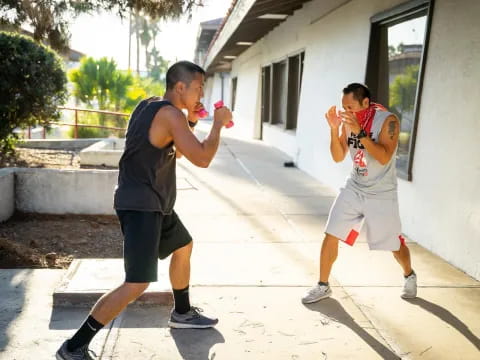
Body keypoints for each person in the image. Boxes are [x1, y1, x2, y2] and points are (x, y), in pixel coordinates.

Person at [56, 61, 233, 360]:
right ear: (181, 88)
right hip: (142, 206)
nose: (202, 93)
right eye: (199, 87)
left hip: (152, 202)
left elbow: (168, 140)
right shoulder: (170, 114)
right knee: (136, 283)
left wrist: (190, 120)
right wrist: (216, 124)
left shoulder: (150, 106)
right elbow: (201, 158)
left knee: (184, 246)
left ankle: (182, 312)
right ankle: (73, 346)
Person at [302, 83, 417, 304]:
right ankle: (323, 285)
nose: (347, 112)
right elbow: (338, 156)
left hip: (382, 192)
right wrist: (334, 129)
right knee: (331, 232)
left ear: (366, 102)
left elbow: (383, 156)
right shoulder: (347, 121)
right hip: (354, 186)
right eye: (344, 107)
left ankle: (409, 274)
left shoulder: (388, 121)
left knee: (393, 244)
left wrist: (360, 133)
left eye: (351, 107)